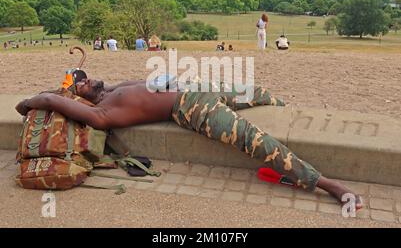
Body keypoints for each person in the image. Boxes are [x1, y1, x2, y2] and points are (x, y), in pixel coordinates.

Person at [16, 77, 363, 210]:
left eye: (84, 78)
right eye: (80, 85)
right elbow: (51, 101)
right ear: (81, 101)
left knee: (262, 93)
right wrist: (33, 100)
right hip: (193, 107)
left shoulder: (110, 90)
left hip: (197, 88)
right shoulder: (104, 112)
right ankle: (327, 184)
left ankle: (289, 113)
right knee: (257, 142)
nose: (86, 81)